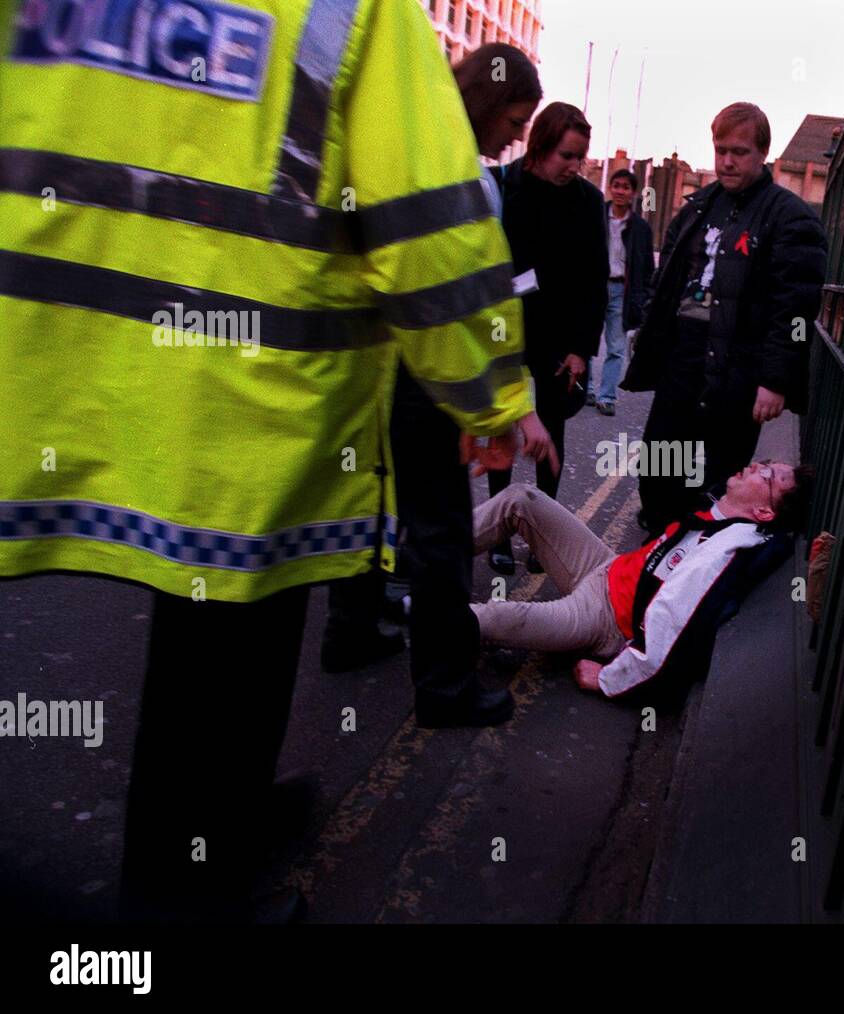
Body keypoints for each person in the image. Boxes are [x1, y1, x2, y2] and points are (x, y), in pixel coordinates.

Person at [0, 0, 530, 922]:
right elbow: (428, 229)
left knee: (205, 654)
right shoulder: (354, 11)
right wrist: (491, 396)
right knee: (221, 653)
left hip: (45, 361)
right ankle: (189, 890)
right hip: (243, 411)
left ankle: (221, 819)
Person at [321, 42, 557, 731]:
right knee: (442, 534)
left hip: (370, 362)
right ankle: (446, 686)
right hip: (430, 374)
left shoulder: (403, 144)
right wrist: (497, 405)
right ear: (487, 102)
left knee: (369, 503)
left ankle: (349, 630)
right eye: (514, 121)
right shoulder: (456, 174)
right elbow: (463, 299)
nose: (515, 137)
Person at [622, 103, 829, 533]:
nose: (727, 161)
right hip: (683, 358)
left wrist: (775, 380)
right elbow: (666, 282)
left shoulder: (789, 217)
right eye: (720, 150)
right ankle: (659, 532)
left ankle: (697, 545)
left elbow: (794, 308)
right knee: (661, 458)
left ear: (763, 153)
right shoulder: (698, 207)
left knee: (717, 473)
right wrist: (649, 333)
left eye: (739, 151)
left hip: (740, 367)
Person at [469, 460, 815, 699]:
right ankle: (435, 557)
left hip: (604, 619)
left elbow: (675, 620)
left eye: (766, 474)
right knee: (521, 499)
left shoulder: (726, 550)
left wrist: (608, 680)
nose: (754, 466)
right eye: (763, 463)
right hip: (605, 566)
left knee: (496, 617)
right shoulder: (720, 505)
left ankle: (433, 616)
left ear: (764, 512)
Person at [487, 102, 609, 575]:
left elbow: (594, 278)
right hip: (507, 332)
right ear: (540, 145)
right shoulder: (502, 187)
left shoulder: (588, 201)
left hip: (560, 337)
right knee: (503, 430)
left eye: (580, 157)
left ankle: (543, 538)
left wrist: (581, 347)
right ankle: (498, 531)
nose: (574, 166)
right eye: (566, 155)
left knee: (551, 435)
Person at [594, 169, 656, 416]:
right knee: (586, 342)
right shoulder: (596, 217)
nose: (620, 191)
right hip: (595, 287)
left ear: (633, 193)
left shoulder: (641, 228)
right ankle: (586, 389)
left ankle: (607, 397)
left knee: (616, 347)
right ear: (610, 188)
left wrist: (644, 298)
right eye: (616, 185)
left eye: (625, 187)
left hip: (623, 290)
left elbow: (647, 268)